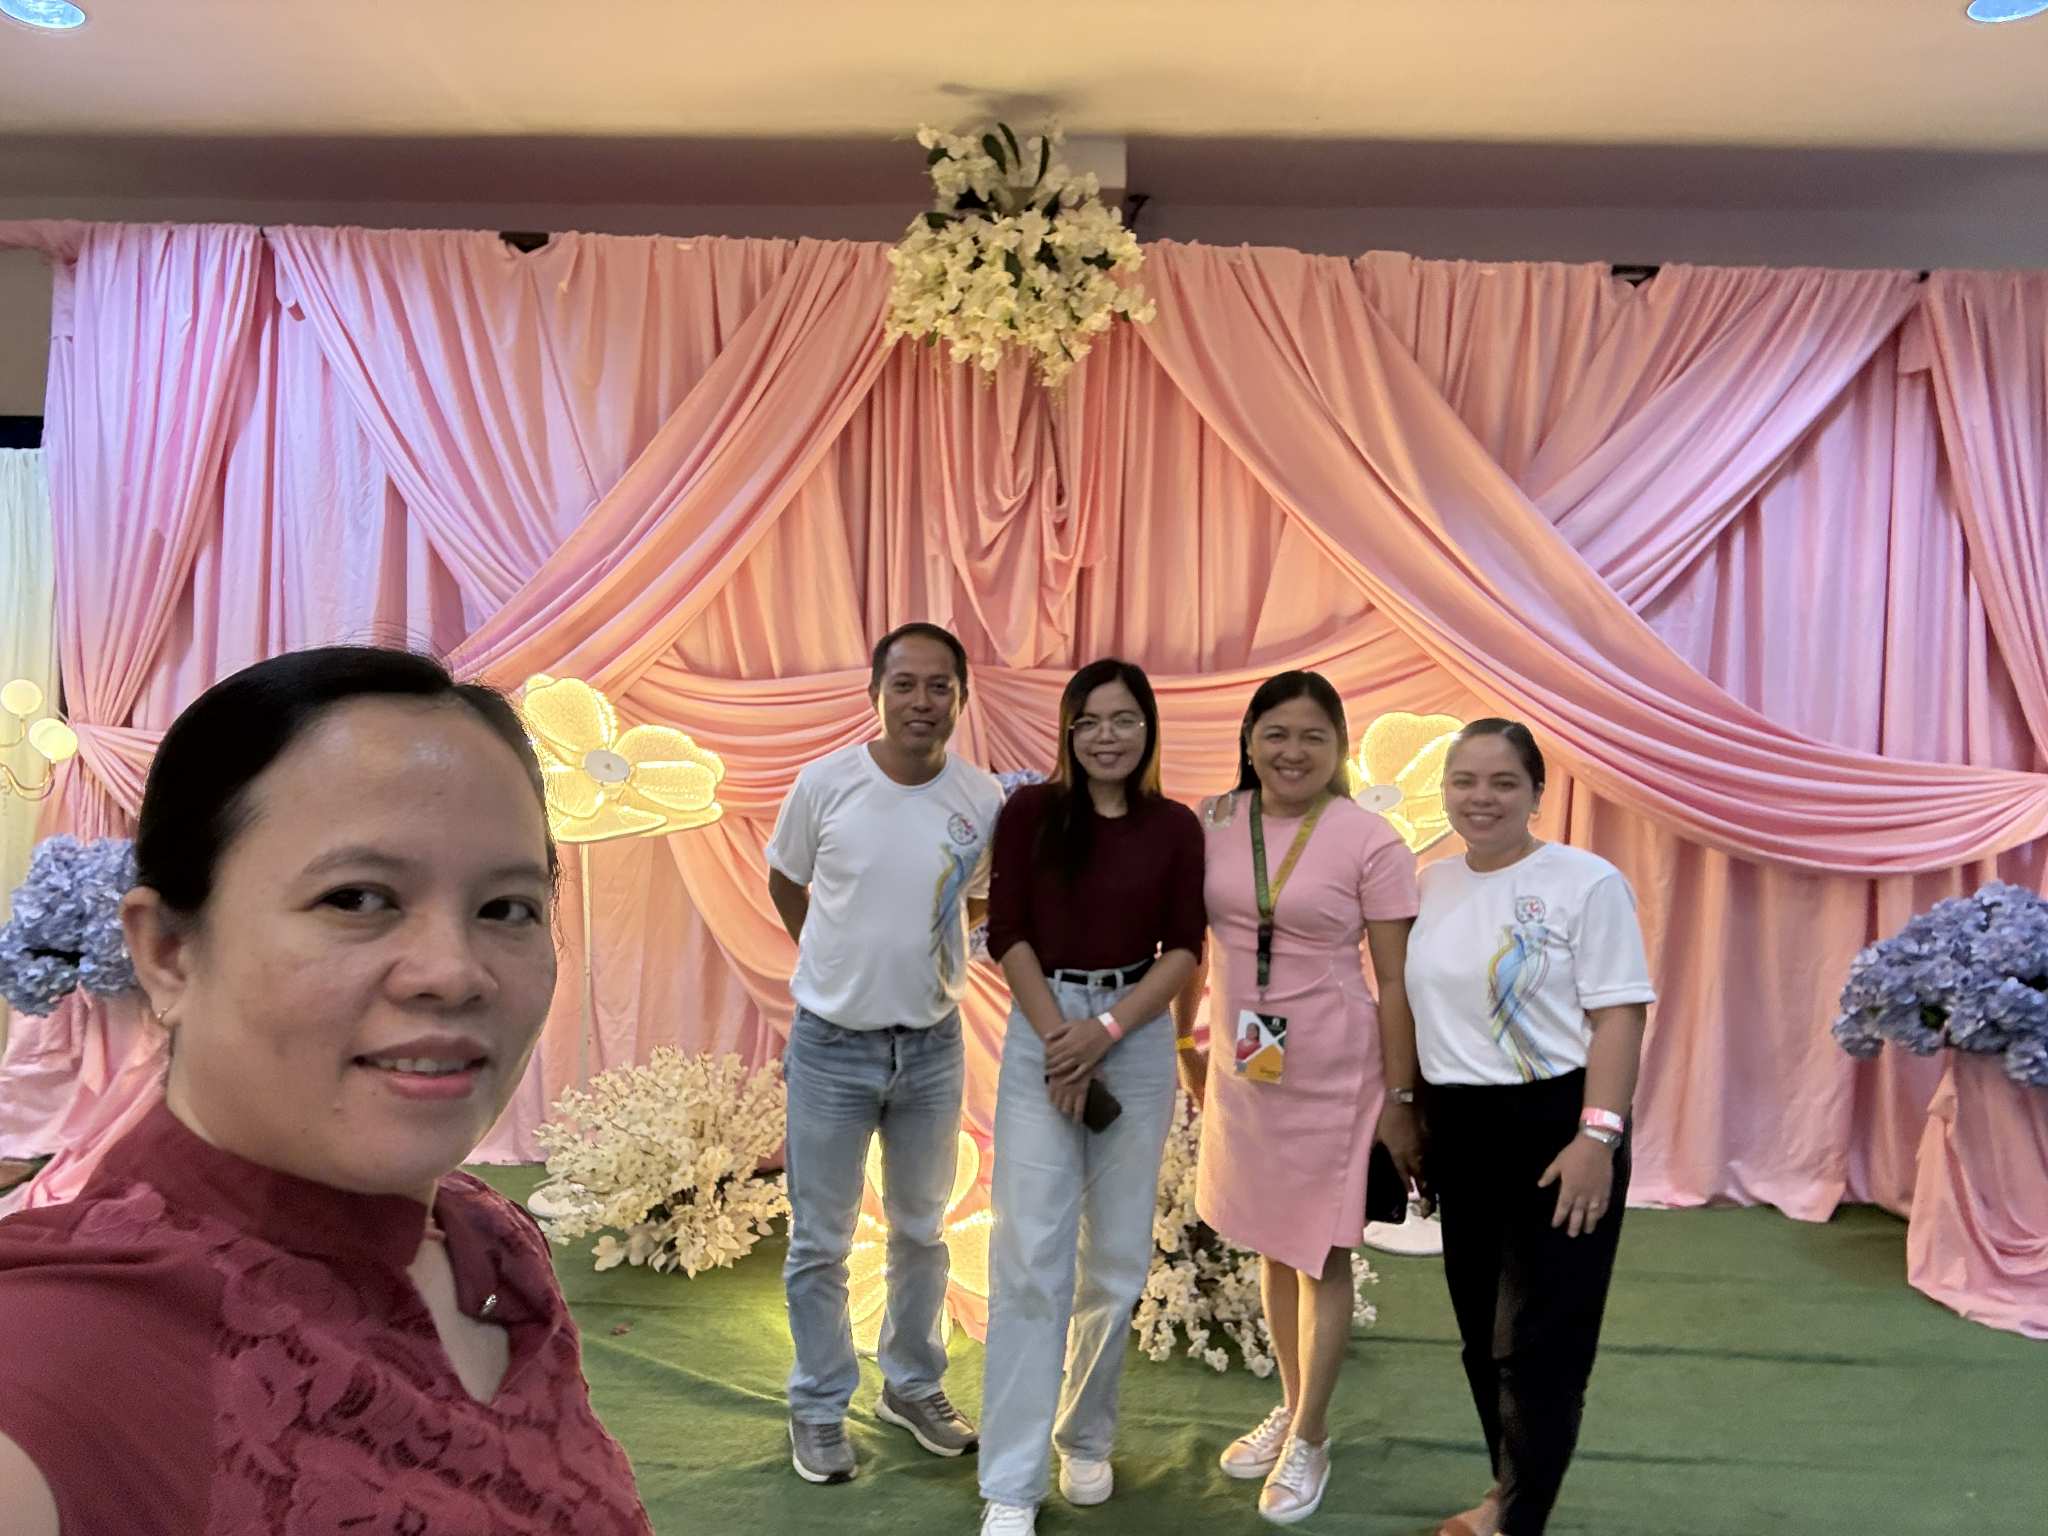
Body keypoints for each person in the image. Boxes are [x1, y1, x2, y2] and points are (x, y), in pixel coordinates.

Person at [0, 646, 653, 1536]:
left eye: (507, 908)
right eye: (356, 898)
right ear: (168, 953)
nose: (454, 973)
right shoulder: (59, 1354)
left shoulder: (493, 1244)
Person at [1394, 719, 1654, 1536]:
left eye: (1504, 782)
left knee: (1542, 1341)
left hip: (1557, 1125)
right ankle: (1506, 1491)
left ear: (1537, 792)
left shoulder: (1587, 882)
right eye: (1464, 780)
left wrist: (1598, 1137)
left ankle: (1518, 1520)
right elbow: (1412, 1007)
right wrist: (1407, 1111)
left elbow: (1620, 1015)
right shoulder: (1430, 884)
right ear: (1444, 791)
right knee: (1482, 1336)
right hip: (1459, 1126)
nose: (1482, 797)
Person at [1175, 669, 1419, 1526]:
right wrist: (1184, 1040)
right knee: (1272, 1245)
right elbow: (1188, 942)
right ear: (1248, 739)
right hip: (1247, 1067)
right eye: (1276, 732)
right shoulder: (1213, 820)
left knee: (1320, 1251)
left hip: (1336, 1070)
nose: (1293, 751)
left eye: (1315, 736)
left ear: (1339, 747)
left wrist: (1401, 1094)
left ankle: (1312, 1434)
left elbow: (1395, 980)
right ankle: (1289, 1402)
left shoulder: (1370, 839)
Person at [765, 621, 1004, 1485]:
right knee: (820, 1242)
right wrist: (835, 963)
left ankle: (911, 1386)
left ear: (961, 699)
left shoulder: (982, 799)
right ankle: (819, 1405)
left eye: (940, 686)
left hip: (932, 1049)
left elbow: (976, 902)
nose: (921, 701)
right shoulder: (825, 784)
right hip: (831, 1048)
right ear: (876, 693)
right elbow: (786, 880)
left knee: (921, 1233)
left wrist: (921, 956)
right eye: (904, 684)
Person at [976, 659, 1204, 1536]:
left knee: (1115, 1262)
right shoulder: (1030, 813)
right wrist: (1060, 1043)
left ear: (1148, 729)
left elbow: (1184, 948)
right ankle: (1011, 1483)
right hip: (1043, 1028)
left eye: (1124, 720)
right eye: (1090, 721)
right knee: (1029, 1259)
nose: (1107, 737)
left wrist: (1104, 1033)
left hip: (1133, 1036)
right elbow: (1008, 932)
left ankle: (1085, 1435)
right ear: (1068, 732)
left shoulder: (1176, 827)